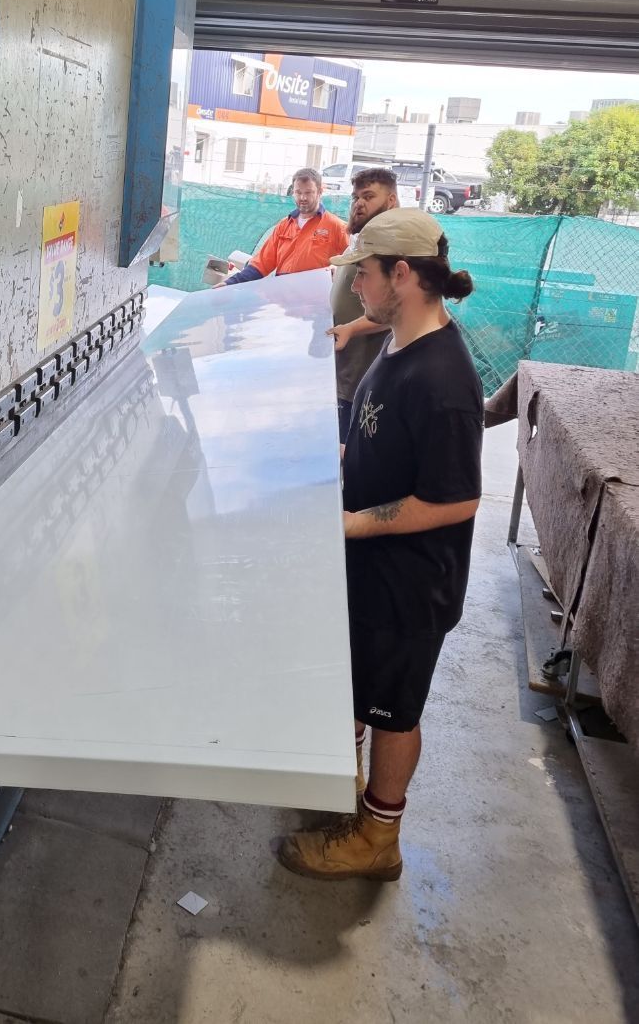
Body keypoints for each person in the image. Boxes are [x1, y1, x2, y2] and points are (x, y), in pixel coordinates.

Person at [279, 208, 483, 883]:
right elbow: (380, 439)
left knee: (395, 710)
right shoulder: (398, 343)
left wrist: (351, 524)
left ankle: (377, 838)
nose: (355, 286)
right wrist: (328, 453)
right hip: (374, 568)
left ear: (401, 274)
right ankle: (345, 782)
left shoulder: (443, 381)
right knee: (361, 687)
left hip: (410, 586)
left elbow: (455, 498)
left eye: (361, 273)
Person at [328, 168, 399, 444]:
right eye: (355, 197)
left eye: (368, 197)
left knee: (355, 453)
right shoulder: (364, 237)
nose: (359, 204)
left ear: (391, 200)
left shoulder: (395, 244)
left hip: (365, 377)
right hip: (346, 370)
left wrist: (351, 329)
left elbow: (398, 309)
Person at [222, 168, 348, 285]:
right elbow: (261, 264)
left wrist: (339, 269)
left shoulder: (337, 226)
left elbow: (352, 263)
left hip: (316, 297)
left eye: (308, 192)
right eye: (298, 192)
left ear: (320, 191)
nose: (303, 197)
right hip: (282, 295)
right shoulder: (284, 225)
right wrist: (230, 283)